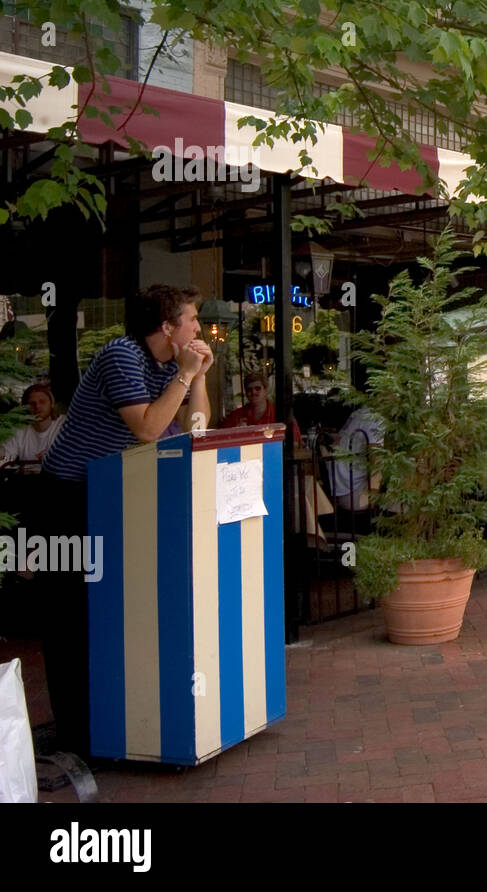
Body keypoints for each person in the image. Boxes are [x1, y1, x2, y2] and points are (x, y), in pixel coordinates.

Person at [39, 285, 213, 756]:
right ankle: (74, 732)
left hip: (107, 494)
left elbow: (195, 432)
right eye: (192, 319)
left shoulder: (164, 369)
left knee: (106, 608)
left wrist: (196, 379)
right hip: (66, 494)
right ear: (167, 327)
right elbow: (148, 429)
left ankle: (103, 721)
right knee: (69, 613)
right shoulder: (123, 356)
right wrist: (184, 375)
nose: (198, 328)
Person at [326, 404, 383, 512]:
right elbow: (377, 466)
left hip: (339, 492)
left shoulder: (357, 414)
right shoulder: (375, 419)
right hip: (355, 495)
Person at [220, 374, 301, 442]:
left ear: (266, 390)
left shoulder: (282, 414)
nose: (253, 392)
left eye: (257, 388)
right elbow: (223, 442)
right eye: (249, 390)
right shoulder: (235, 416)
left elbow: (295, 444)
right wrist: (236, 433)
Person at [0, 382, 65, 467]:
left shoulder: (65, 424)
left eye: (42, 402)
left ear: (52, 403)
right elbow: (5, 459)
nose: (37, 406)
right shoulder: (19, 430)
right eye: (31, 404)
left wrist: (57, 455)